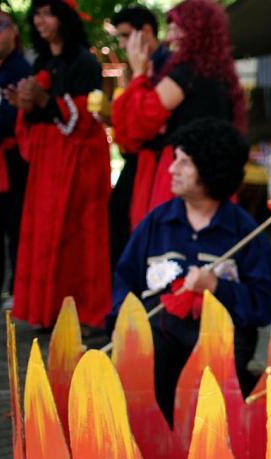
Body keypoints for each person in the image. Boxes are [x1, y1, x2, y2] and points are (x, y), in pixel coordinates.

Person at [108, 118, 271, 425]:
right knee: (147, 358)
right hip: (161, 337)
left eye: (184, 162)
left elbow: (266, 300)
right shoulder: (156, 223)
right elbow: (124, 282)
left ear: (210, 168)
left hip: (220, 343)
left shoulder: (242, 231)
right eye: (175, 159)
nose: (171, 169)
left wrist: (218, 287)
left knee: (214, 384)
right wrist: (126, 327)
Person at [7, 0, 111, 329]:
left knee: (77, 236)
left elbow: (88, 117)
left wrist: (43, 101)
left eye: (48, 13)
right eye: (36, 14)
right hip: (49, 164)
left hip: (79, 163)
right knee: (44, 232)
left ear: (63, 18)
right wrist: (24, 103)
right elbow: (41, 112)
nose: (40, 20)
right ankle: (46, 309)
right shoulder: (44, 61)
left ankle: (80, 311)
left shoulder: (84, 61)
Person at [112, 0, 245, 229]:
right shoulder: (219, 75)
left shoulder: (186, 74)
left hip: (186, 174)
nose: (170, 37)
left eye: (176, 29)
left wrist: (138, 74)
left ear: (196, 31)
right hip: (212, 175)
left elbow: (141, 120)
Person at [108, 5, 170, 272]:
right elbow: (126, 131)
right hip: (137, 161)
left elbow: (141, 124)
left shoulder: (169, 66)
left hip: (158, 164)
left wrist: (138, 74)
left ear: (146, 31)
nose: (122, 44)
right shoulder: (142, 65)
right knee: (119, 226)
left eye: (125, 35)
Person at [0, 8, 31, 307]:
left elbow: (11, 118)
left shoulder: (20, 69)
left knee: (16, 225)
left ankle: (20, 290)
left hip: (14, 159)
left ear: (11, 33)